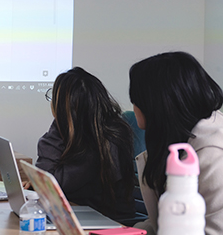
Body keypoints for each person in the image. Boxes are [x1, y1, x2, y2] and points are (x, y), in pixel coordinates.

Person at [129, 51, 223, 235]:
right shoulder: (176, 141)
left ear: (154, 104)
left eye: (136, 99)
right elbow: (164, 225)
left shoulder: (214, 152)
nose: (133, 105)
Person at [31, 67, 136, 221]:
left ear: (67, 109)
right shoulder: (82, 131)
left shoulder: (105, 141)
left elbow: (50, 184)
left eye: (54, 99)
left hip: (107, 222)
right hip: (82, 213)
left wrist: (58, 124)